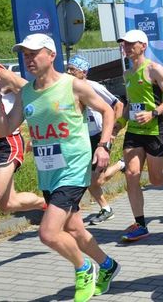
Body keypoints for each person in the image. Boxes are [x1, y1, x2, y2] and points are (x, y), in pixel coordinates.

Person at [0, 33, 120, 301]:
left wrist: (103, 146)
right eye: (25, 54)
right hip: (48, 172)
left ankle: (84, 269)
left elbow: (107, 110)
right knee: (74, 229)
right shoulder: (26, 92)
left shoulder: (73, 85)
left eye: (33, 53)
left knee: (48, 233)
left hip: (74, 168)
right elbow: (5, 129)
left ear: (51, 55)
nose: (28, 59)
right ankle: (108, 265)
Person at [0, 35, 46, 295]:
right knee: (7, 203)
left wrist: (18, 116)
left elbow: (29, 89)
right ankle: (45, 205)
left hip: (6, 143)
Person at [114, 29, 163, 242]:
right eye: (124, 44)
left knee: (156, 180)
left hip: (155, 130)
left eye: (131, 44)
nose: (127, 47)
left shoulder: (154, 69)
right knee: (132, 175)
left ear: (143, 46)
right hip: (134, 131)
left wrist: (153, 113)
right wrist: (118, 125)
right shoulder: (127, 73)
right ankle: (140, 224)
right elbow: (130, 104)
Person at [66, 55, 125, 225]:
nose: (69, 72)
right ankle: (105, 209)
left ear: (83, 72)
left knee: (95, 179)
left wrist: (113, 131)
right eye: (68, 68)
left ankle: (121, 164)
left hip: (99, 137)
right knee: (87, 178)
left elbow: (118, 105)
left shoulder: (92, 86)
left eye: (73, 69)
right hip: (81, 138)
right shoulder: (66, 88)